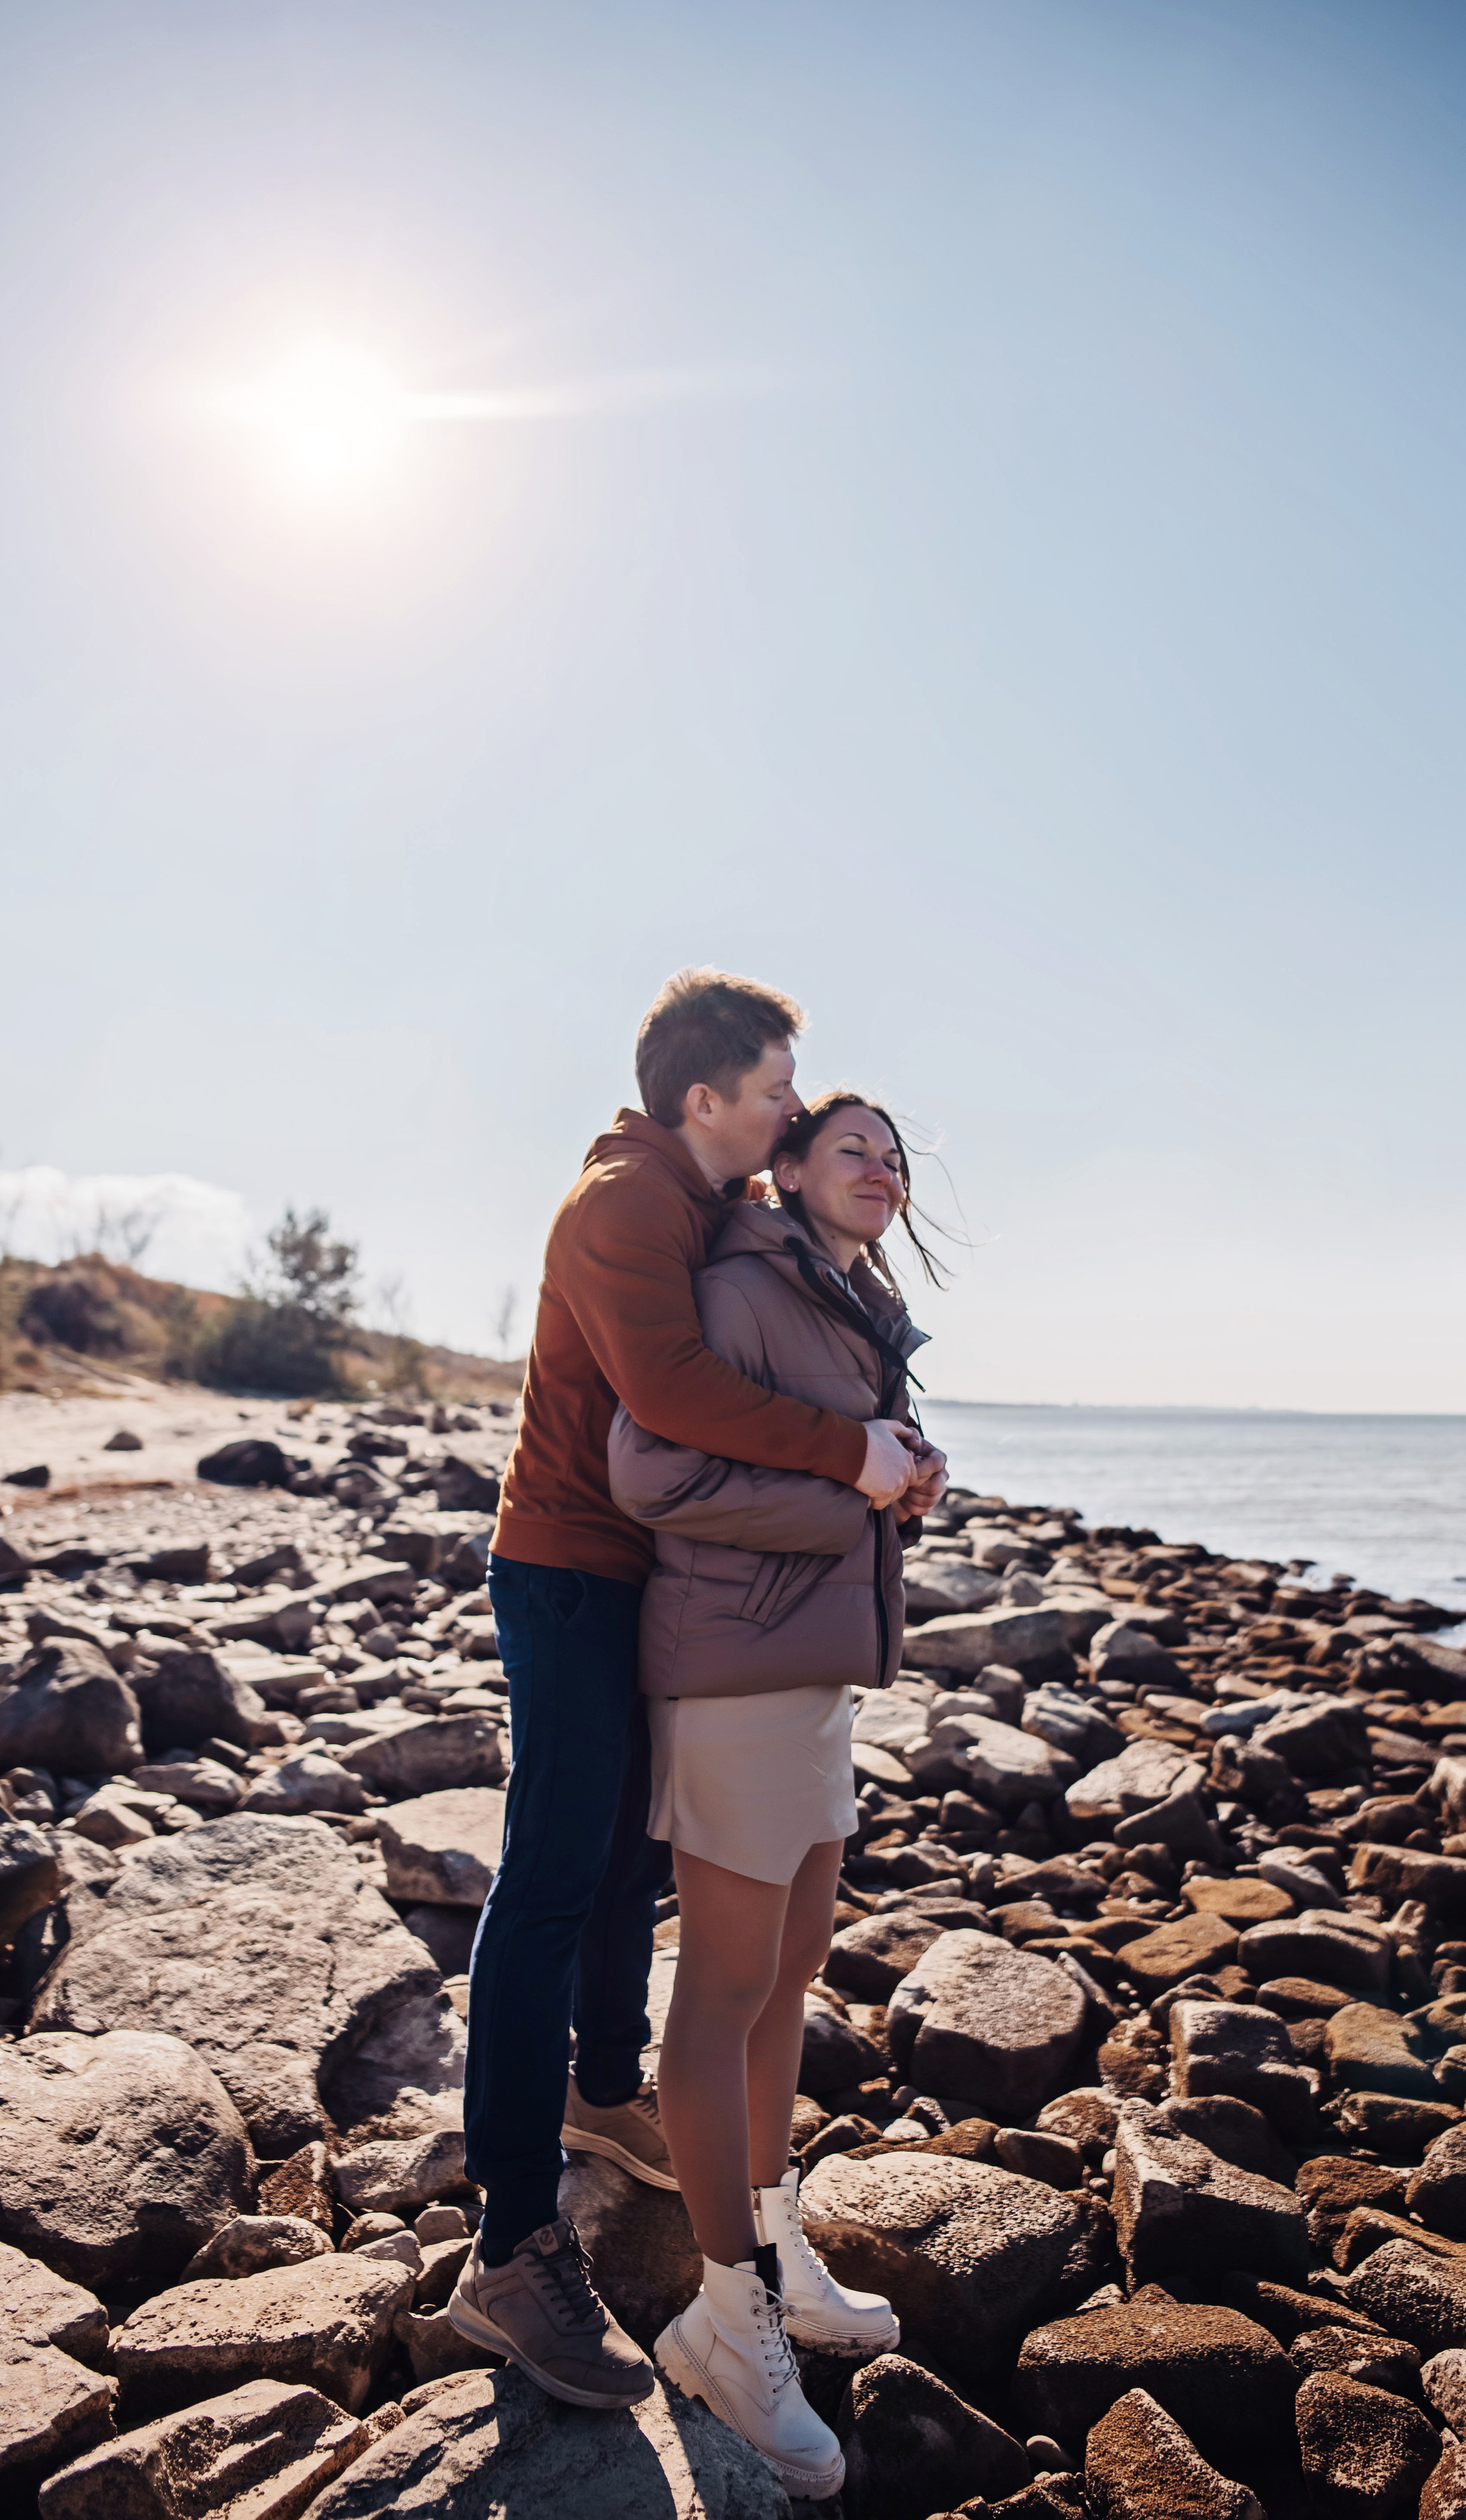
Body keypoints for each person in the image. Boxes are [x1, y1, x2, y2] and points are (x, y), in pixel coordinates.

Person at [448, 974, 945, 2406]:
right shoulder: (626, 1202)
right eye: (779, 1092)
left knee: (618, 1867)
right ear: (705, 1101)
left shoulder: (703, 1208)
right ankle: (510, 2239)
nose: (795, 1109)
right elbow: (665, 1403)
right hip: (565, 1567)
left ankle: (606, 2095)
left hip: (630, 1574)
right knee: (549, 1876)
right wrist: (850, 1461)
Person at [605, 1091, 944, 2498]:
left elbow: (827, 1467)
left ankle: (769, 2237)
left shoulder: (846, 1300)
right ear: (787, 1168)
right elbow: (653, 1469)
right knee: (725, 1988)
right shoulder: (746, 1283)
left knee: (791, 1971)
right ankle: (723, 2319)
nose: (880, 1169)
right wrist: (853, 1496)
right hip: (736, 1675)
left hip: (808, 1677)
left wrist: (903, 1481)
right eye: (849, 1146)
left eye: (895, 1155)